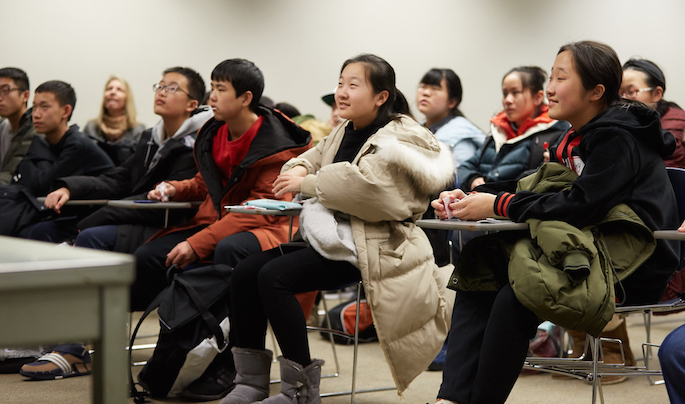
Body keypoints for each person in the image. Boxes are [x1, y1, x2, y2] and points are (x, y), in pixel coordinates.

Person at [431, 40, 680, 404]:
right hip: (587, 248)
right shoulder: (578, 135)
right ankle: (450, 399)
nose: (549, 87)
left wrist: (498, 204)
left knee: (519, 295)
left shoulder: (619, 137)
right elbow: (541, 184)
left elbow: (580, 204)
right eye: (551, 76)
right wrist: (472, 197)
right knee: (479, 272)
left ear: (596, 92)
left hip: (635, 264)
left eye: (560, 78)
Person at [219, 53, 454, 404]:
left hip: (378, 243)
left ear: (381, 96)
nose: (342, 92)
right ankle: (250, 381)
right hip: (332, 235)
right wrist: (300, 170)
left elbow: (370, 189)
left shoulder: (404, 137)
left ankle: (299, 390)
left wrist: (308, 181)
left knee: (274, 277)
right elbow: (309, 158)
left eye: (353, 85)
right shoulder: (345, 129)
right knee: (246, 273)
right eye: (340, 83)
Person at [132, 58, 311, 311]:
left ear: (246, 98)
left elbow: (258, 210)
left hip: (268, 227)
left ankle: (225, 339)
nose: (212, 97)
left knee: (228, 249)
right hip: (217, 222)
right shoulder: (216, 132)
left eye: (221, 89)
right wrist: (175, 188)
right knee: (148, 257)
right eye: (212, 88)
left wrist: (197, 243)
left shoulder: (274, 144)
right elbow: (205, 183)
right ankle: (178, 331)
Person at [36, 67, 210, 247]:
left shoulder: (194, 144)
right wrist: (69, 189)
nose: (162, 93)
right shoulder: (150, 138)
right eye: (160, 86)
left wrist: (100, 216)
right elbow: (118, 179)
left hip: (163, 223)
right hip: (131, 215)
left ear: (191, 104)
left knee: (89, 235)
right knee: (44, 230)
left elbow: (159, 199)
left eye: (172, 88)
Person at [0, 80, 113, 238]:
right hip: (63, 211)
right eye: (35, 106)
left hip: (93, 215)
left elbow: (42, 185)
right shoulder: (46, 142)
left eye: (45, 107)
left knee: (32, 231)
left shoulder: (76, 144)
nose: (36, 114)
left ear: (66, 111)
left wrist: (30, 157)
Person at [457, 66, 569, 192]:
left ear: (537, 97)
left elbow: (534, 182)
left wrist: (488, 190)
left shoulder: (555, 136)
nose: (508, 100)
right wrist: (472, 179)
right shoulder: (497, 132)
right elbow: (464, 168)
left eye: (515, 92)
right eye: (505, 93)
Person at [622, 58, 685, 168]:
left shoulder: (675, 127)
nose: (622, 99)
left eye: (631, 92)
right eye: (619, 93)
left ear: (656, 94)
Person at [416, 68, 485, 167]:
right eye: (423, 86)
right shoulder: (413, 128)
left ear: (452, 102)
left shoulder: (462, 135)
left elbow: (461, 178)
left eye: (435, 88)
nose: (426, 93)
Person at [83, 75, 145, 166]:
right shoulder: (91, 127)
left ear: (127, 98)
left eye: (119, 89)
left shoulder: (138, 130)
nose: (112, 92)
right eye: (109, 89)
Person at [0, 67, 38, 185]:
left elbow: (12, 173)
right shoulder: (2, 126)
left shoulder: (35, 130)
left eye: (6, 90)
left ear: (25, 96)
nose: (0, 97)